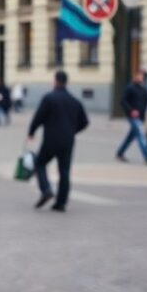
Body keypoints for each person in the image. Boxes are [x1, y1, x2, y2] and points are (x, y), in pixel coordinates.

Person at [27, 70, 89, 212]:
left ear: (55, 81)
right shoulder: (75, 101)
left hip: (51, 139)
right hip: (68, 141)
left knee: (40, 162)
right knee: (64, 171)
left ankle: (46, 189)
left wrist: (31, 131)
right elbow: (85, 122)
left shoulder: (49, 98)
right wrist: (73, 130)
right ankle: (61, 203)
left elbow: (39, 117)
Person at [115, 69, 147, 164]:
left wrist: (146, 115)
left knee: (131, 137)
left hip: (141, 116)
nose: (140, 77)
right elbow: (123, 101)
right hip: (132, 116)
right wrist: (131, 110)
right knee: (140, 135)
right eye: (139, 75)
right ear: (135, 76)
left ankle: (120, 153)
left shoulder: (145, 89)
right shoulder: (130, 87)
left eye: (142, 76)